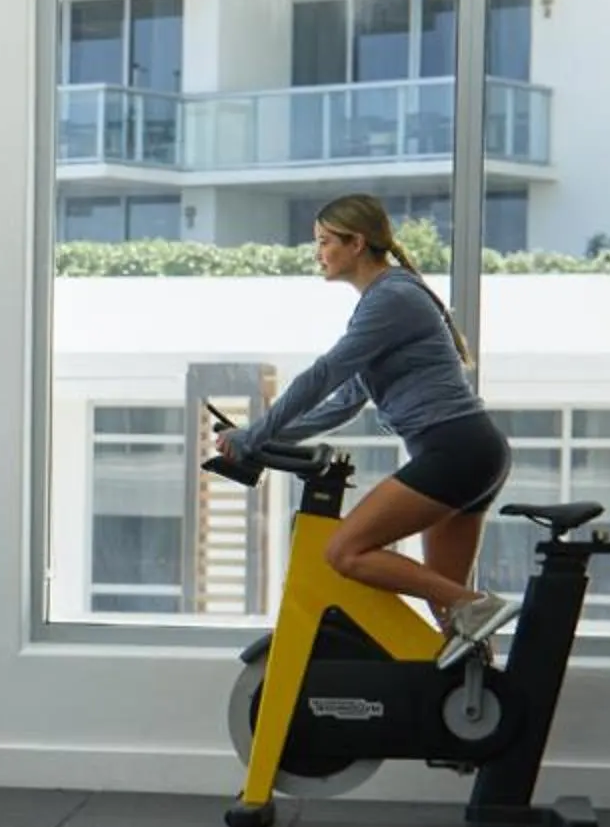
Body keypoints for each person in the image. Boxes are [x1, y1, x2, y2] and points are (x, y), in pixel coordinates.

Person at [213, 193, 518, 666]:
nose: (318, 252)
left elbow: (324, 374)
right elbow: (343, 403)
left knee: (346, 552)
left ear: (356, 243)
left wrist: (254, 434)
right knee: (451, 616)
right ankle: (484, 698)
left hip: (454, 450)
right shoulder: (386, 301)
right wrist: (265, 439)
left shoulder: (392, 298)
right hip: (470, 450)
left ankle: (477, 605)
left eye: (325, 241)